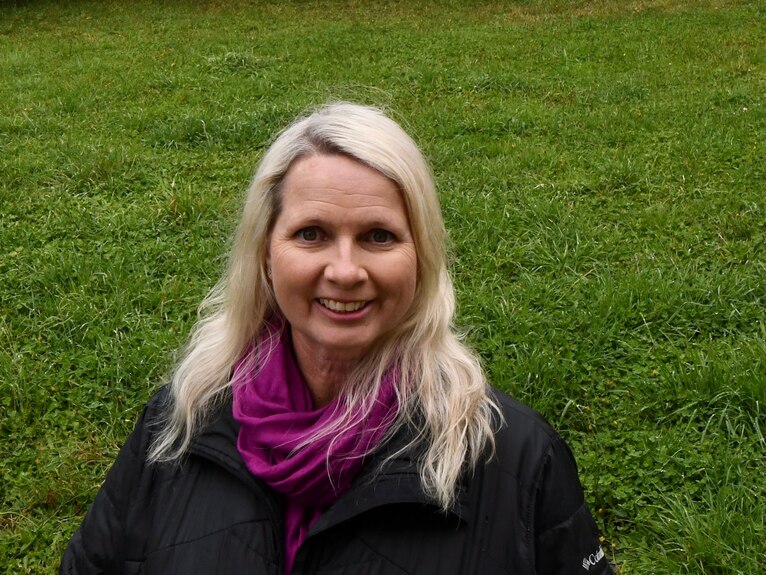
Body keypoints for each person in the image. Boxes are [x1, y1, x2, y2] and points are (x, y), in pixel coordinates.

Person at [61, 102, 614, 575]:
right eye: (311, 234)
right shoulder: (178, 423)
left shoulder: (514, 457)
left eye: (378, 236)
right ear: (265, 257)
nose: (345, 271)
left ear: (420, 259)